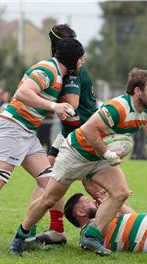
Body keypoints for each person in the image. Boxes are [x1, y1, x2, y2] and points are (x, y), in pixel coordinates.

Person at [8, 68, 147, 256]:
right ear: (137, 91)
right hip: (76, 154)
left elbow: (120, 137)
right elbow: (88, 130)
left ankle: (91, 235)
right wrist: (107, 152)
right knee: (49, 199)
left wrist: (114, 151)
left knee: (120, 193)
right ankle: (19, 237)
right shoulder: (118, 107)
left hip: (98, 158)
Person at [0, 38, 82, 253]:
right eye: (81, 57)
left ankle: (28, 235)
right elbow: (22, 93)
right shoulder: (48, 69)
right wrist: (54, 105)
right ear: (73, 58)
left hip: (26, 132)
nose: (82, 62)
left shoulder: (59, 75)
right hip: (12, 128)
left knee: (50, 183)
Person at [35, 24, 106, 246]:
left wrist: (39, 97)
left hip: (82, 130)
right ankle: (57, 230)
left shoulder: (72, 70)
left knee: (92, 185)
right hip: (70, 130)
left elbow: (72, 105)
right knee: (47, 174)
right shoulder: (66, 66)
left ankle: (121, 221)